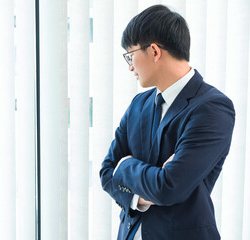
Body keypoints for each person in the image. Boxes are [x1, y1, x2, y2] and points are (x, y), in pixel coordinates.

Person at [99, 4, 235, 240]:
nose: (130, 67)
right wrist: (141, 196)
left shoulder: (212, 107)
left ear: (153, 51)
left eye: (130, 56)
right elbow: (107, 172)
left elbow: (169, 187)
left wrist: (126, 166)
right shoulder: (138, 105)